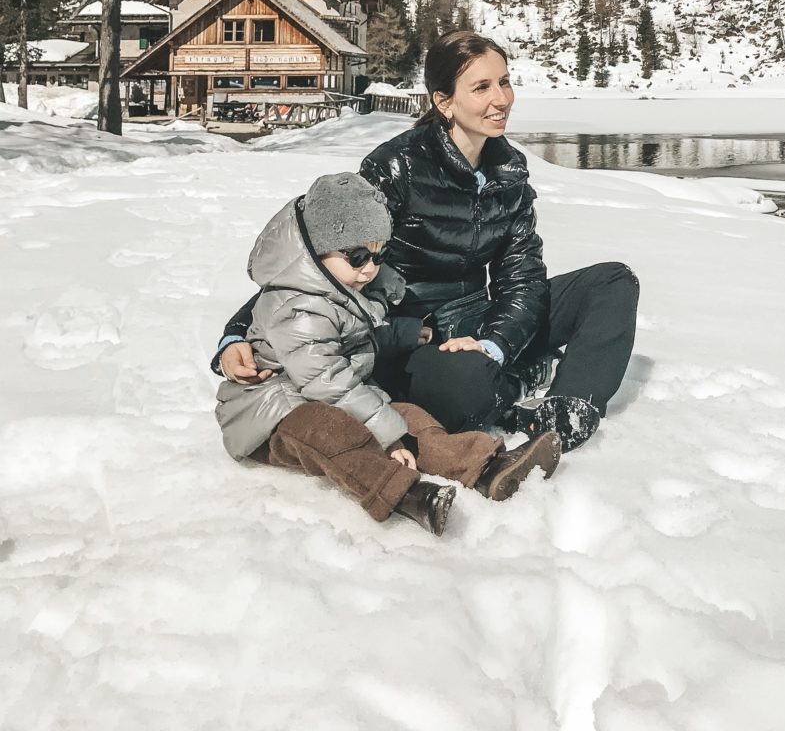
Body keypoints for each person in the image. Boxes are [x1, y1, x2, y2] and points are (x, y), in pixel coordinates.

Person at [216, 31, 639, 451]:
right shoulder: (397, 166)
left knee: (612, 283)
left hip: (483, 317)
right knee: (463, 387)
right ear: (444, 101)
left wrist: (495, 343)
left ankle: (566, 409)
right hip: (414, 334)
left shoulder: (509, 171)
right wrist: (235, 335)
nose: (502, 99)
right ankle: (513, 382)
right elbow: (318, 258)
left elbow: (523, 277)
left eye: (505, 82)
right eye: (482, 87)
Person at [215, 171, 560, 537]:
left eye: (380, 255)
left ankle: (488, 467)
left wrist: (407, 334)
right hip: (270, 413)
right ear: (317, 250)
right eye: (357, 256)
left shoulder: (343, 286)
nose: (370, 268)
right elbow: (326, 382)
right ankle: (408, 494)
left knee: (409, 417)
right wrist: (388, 437)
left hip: (329, 393)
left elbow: (359, 336)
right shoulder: (299, 308)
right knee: (335, 432)